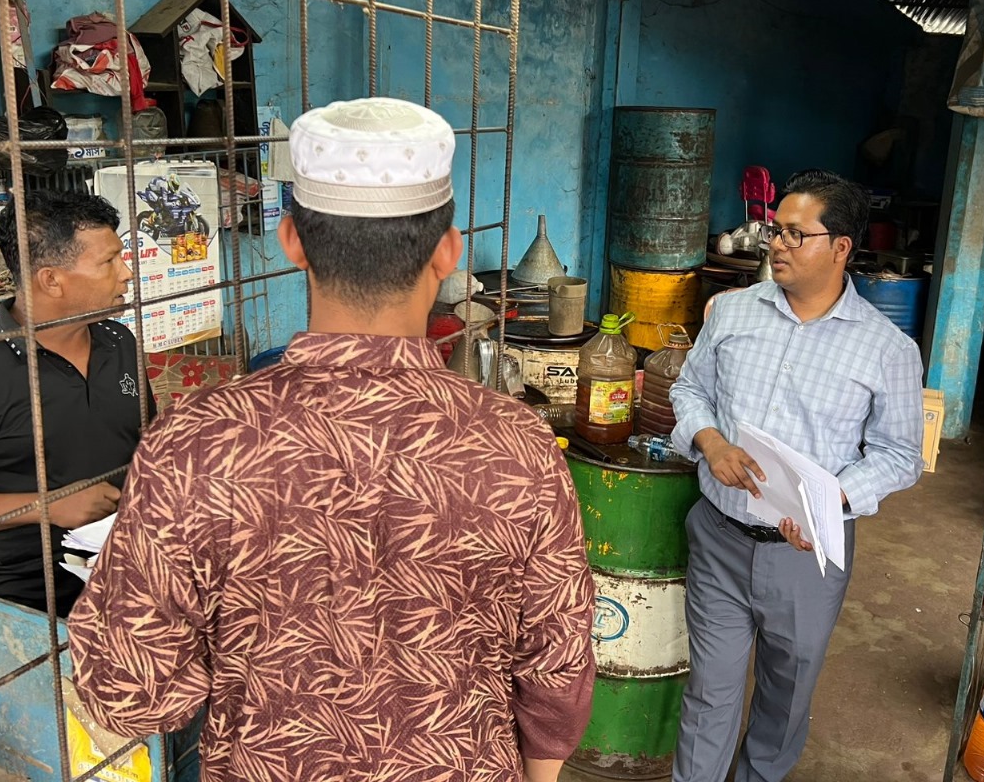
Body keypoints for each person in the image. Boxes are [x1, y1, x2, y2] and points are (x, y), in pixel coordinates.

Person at [69, 97, 596, 782]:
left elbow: (133, 691)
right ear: (448, 251)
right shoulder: (516, 443)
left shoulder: (196, 445)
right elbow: (557, 664)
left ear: (291, 240)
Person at [669, 169, 924, 782]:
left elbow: (899, 455)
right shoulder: (731, 313)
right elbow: (690, 389)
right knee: (710, 695)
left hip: (808, 556)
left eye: (795, 234)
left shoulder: (887, 350)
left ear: (841, 247)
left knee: (785, 700)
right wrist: (710, 441)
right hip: (721, 538)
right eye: (774, 231)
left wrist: (827, 499)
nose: (777, 245)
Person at [0, 189, 148, 617]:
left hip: (133, 571)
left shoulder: (118, 341)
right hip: (29, 599)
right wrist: (47, 506)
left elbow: (143, 439)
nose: (127, 274)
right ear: (51, 280)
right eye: (109, 261)